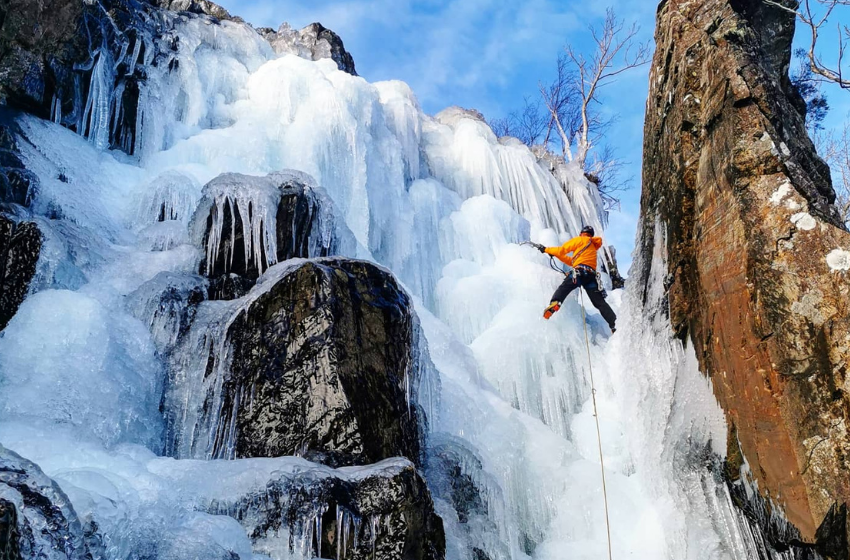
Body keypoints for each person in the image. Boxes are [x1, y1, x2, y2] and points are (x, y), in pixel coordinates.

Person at [533, 225, 617, 333]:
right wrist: (553, 253)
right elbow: (572, 261)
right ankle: (614, 324)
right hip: (591, 277)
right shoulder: (592, 247)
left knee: (565, 287)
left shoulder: (580, 240)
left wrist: (545, 249)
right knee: (600, 303)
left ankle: (555, 302)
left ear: (582, 233)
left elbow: (562, 250)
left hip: (579, 273)